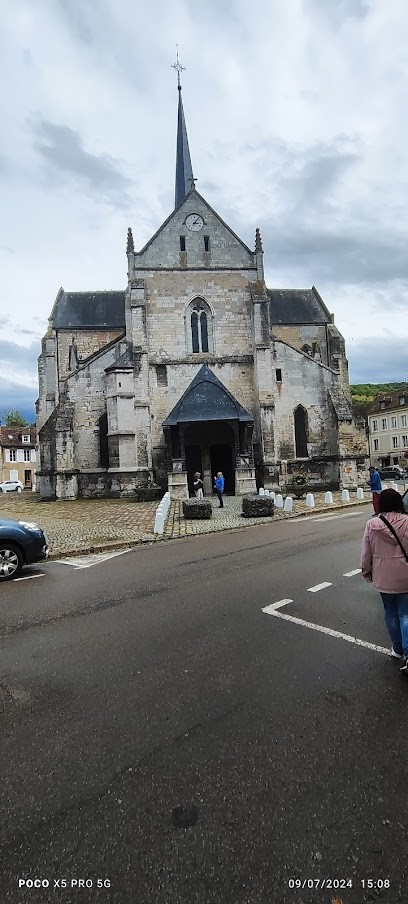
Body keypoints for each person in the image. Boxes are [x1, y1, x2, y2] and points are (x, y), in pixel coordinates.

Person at [361, 488, 408, 672]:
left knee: (390, 612)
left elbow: (366, 553)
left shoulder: (372, 524)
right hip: (405, 574)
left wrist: (366, 571)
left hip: (383, 576)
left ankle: (397, 649)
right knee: (405, 614)